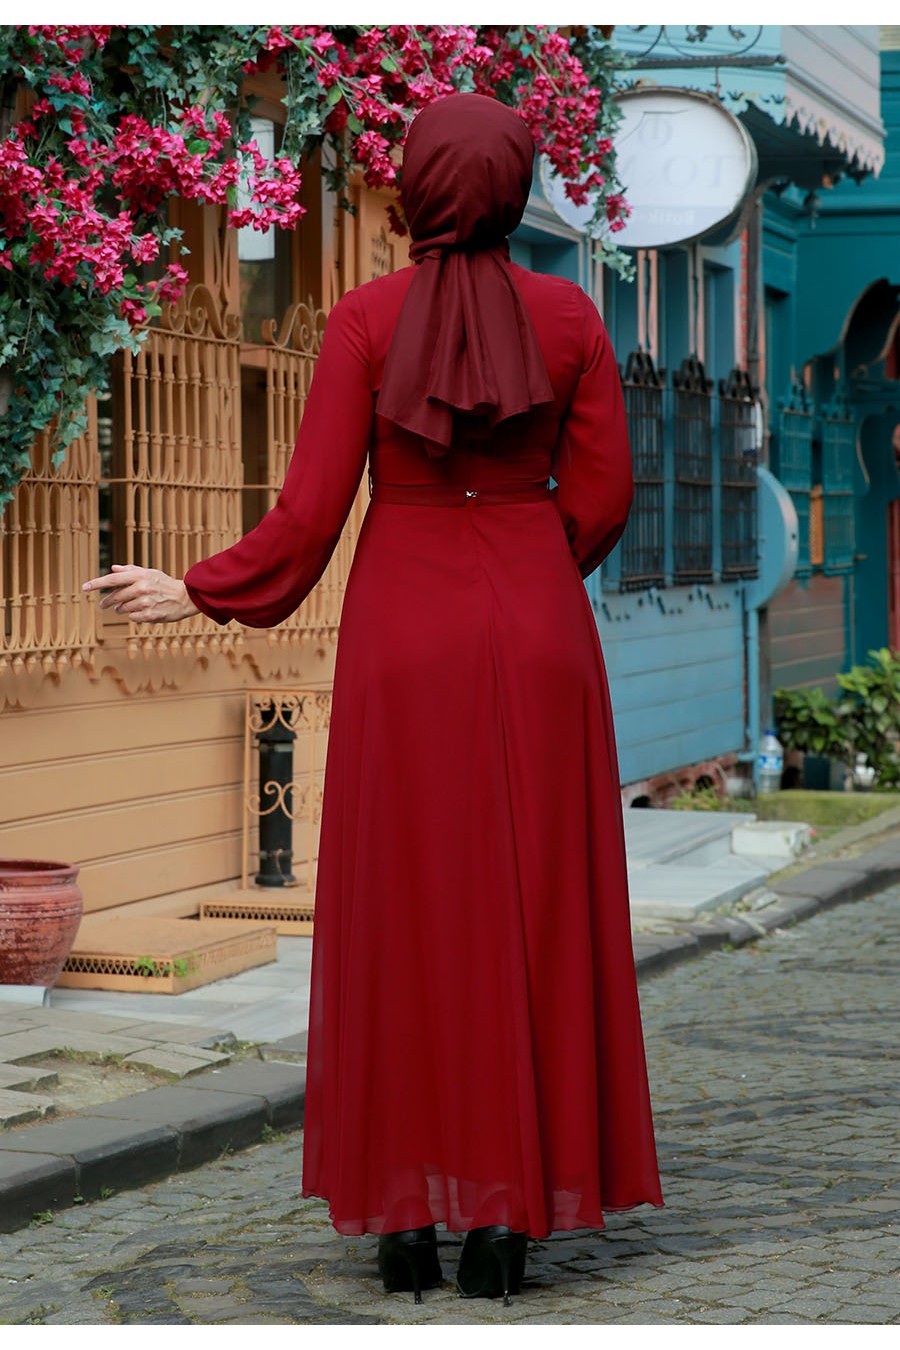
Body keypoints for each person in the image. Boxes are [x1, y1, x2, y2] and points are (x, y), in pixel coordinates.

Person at [83, 92, 664, 1305]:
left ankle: (406, 1222)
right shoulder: (569, 318)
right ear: (512, 188)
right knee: (533, 903)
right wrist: (527, 563)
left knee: (407, 908)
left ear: (410, 187)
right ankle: (508, 1225)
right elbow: (605, 496)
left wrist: (198, 587)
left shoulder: (364, 317)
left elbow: (309, 513)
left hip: (403, 628)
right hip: (539, 625)